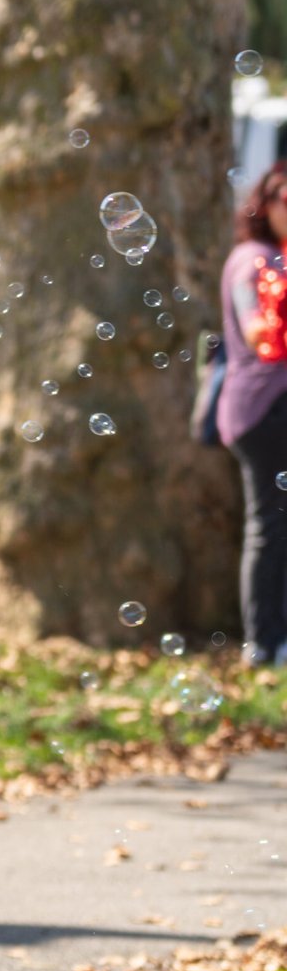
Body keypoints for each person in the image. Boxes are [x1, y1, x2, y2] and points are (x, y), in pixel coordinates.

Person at [218, 163, 287, 667]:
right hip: (264, 412)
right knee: (269, 527)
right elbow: (258, 333)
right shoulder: (254, 260)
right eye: (285, 198)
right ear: (264, 205)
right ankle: (263, 643)